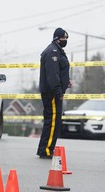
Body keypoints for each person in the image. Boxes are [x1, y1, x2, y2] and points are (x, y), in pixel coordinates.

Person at [36, 27, 71, 159]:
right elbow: (52, 74)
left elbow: (59, 71)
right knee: (52, 121)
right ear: (57, 39)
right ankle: (46, 149)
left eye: (66, 39)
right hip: (52, 93)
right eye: (63, 38)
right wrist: (58, 91)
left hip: (53, 90)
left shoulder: (56, 50)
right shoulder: (53, 52)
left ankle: (45, 148)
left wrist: (66, 81)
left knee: (52, 121)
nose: (65, 41)